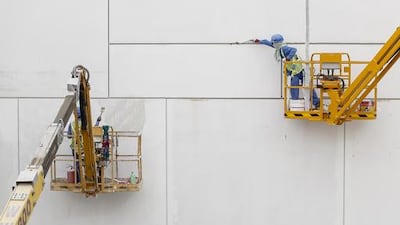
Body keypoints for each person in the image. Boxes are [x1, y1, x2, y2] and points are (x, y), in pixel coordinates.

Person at [253, 34, 320, 108]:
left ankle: (296, 102)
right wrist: (260, 41)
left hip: (296, 70)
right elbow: (269, 43)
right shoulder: (278, 47)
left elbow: (294, 49)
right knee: (305, 85)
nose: (272, 44)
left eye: (274, 42)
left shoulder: (284, 48)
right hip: (296, 69)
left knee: (295, 85)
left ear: (278, 43)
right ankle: (314, 102)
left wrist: (288, 58)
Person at [67, 108, 82, 183]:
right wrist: (97, 122)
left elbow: (69, 136)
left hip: (74, 147)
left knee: (77, 163)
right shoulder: (85, 124)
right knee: (87, 162)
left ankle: (78, 180)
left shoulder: (72, 124)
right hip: (84, 147)